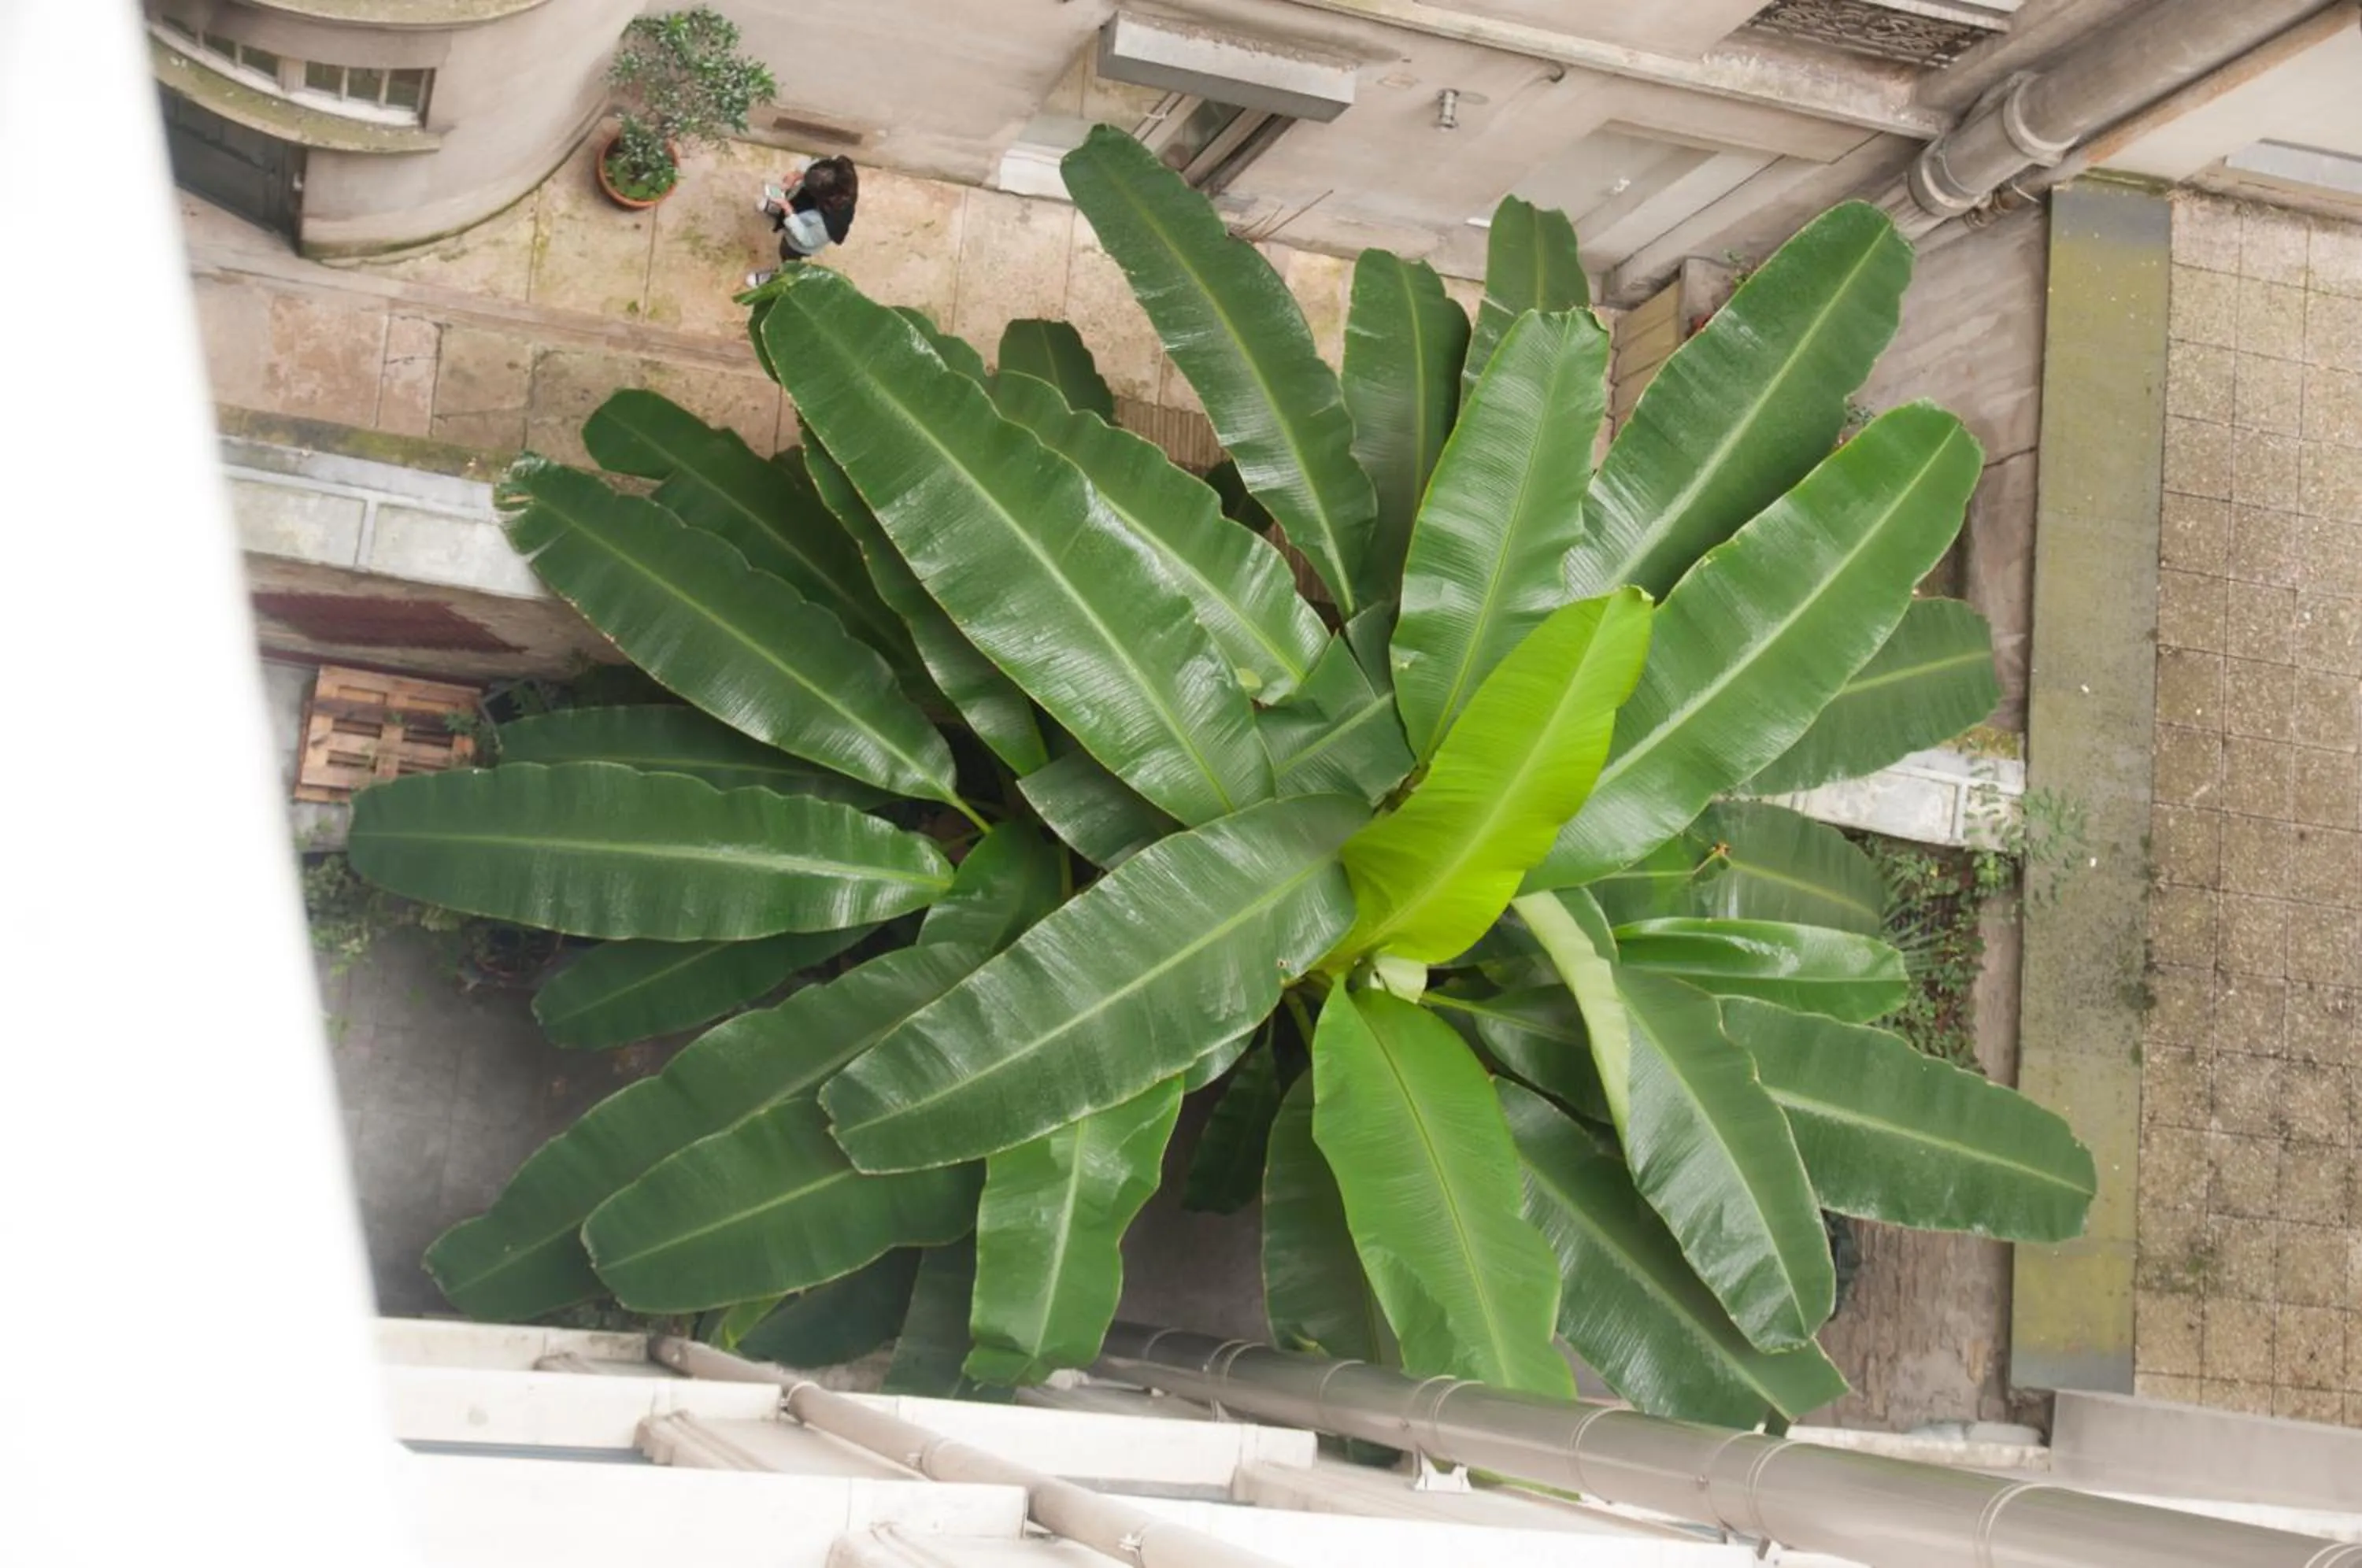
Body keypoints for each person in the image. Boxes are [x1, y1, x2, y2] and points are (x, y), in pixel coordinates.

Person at [746, 155, 858, 287]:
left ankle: (778, 277)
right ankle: (780, 212)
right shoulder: (838, 171)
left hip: (796, 245)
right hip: (802, 207)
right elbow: (814, 162)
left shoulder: (828, 225)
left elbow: (806, 238)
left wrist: (788, 209)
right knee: (790, 206)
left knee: (789, 259)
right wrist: (796, 175)